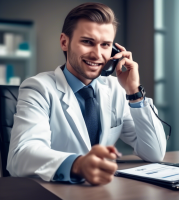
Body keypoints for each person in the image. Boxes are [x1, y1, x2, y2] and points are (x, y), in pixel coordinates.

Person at [7, 2, 166, 185]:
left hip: (100, 192)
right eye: (87, 42)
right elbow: (20, 156)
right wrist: (78, 164)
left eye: (105, 45)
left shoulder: (115, 89)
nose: (97, 54)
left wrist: (134, 92)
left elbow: (154, 152)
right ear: (64, 42)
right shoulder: (38, 88)